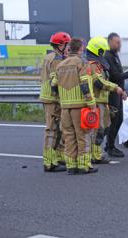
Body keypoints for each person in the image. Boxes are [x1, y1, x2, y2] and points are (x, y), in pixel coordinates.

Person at [51, 38, 97, 175]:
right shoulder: (82, 63)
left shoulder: (60, 65)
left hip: (65, 107)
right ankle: (83, 166)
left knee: (69, 137)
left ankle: (71, 166)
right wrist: (91, 103)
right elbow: (84, 84)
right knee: (82, 136)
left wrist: (62, 100)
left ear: (69, 49)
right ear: (81, 49)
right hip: (80, 107)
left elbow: (53, 86)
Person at [86, 36, 125, 164]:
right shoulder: (92, 65)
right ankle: (95, 155)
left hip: (103, 100)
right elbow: (98, 82)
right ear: (99, 50)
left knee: (104, 127)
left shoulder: (97, 64)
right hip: (97, 101)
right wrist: (115, 87)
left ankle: (97, 153)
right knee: (97, 129)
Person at [40, 32, 71, 172]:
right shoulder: (57, 59)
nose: (68, 47)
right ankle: (50, 163)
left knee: (58, 129)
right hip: (53, 98)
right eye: (67, 45)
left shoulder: (48, 56)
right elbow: (56, 80)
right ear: (60, 45)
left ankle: (57, 158)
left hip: (49, 97)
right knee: (52, 130)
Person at [104, 32, 128, 157]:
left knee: (119, 119)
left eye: (120, 42)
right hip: (112, 93)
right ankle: (110, 147)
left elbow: (118, 76)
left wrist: (123, 90)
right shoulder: (108, 56)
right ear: (110, 42)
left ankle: (109, 145)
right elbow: (115, 76)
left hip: (118, 92)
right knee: (114, 120)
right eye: (117, 42)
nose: (119, 44)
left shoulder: (115, 55)